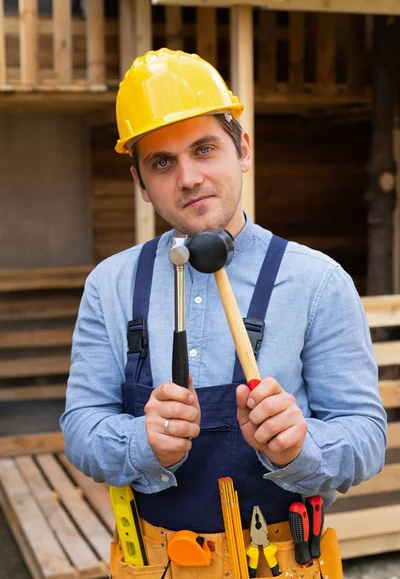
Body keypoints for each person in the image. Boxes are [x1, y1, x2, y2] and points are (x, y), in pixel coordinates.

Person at [60, 49, 387, 579]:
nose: (188, 177)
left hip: (279, 564)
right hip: (156, 565)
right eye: (161, 162)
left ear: (243, 150)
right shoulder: (111, 285)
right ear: (141, 184)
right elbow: (81, 428)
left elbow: (366, 436)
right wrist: (143, 445)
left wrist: (301, 446)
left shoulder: (318, 282)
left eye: (204, 148)